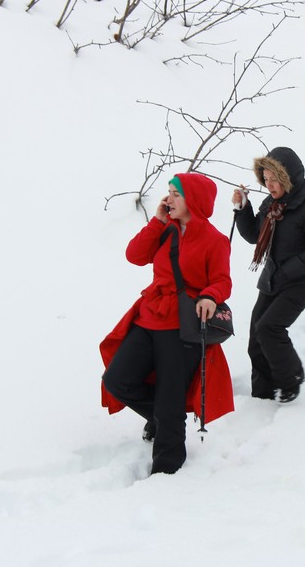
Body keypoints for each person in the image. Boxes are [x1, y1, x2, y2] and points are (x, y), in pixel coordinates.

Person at [100, 172, 233, 476]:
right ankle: (163, 420)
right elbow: (134, 256)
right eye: (169, 192)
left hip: (182, 326)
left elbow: (222, 281)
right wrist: (156, 222)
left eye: (176, 194)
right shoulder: (165, 230)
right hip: (150, 317)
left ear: (193, 201)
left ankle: (166, 471)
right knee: (117, 380)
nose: (169, 199)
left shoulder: (215, 241)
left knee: (170, 400)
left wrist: (210, 296)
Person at [232, 147, 305, 403]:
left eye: (275, 179)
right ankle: (262, 395)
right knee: (256, 337)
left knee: (270, 328)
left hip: (299, 283)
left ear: (290, 177)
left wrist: (289, 269)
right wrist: (243, 208)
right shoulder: (271, 204)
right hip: (272, 280)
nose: (270, 185)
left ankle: (291, 380)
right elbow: (255, 235)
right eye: (265, 179)